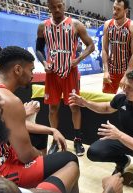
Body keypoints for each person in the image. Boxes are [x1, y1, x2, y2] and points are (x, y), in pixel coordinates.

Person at [0, 46, 81, 193]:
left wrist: (51, 129)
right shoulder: (10, 100)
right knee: (70, 158)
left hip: (1, 160)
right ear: (18, 70)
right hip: (3, 170)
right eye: (31, 70)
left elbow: (15, 124)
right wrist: (41, 156)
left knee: (41, 136)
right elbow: (26, 156)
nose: (32, 75)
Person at [69, 68, 133, 191]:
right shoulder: (122, 98)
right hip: (122, 139)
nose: (125, 90)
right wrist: (85, 103)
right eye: (125, 86)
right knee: (93, 152)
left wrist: (119, 135)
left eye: (130, 88)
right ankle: (122, 161)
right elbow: (107, 108)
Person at [36, 0, 95, 156]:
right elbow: (38, 48)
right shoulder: (43, 26)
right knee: (52, 108)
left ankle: (77, 139)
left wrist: (78, 59)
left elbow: (91, 45)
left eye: (59, 6)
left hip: (70, 72)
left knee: (74, 106)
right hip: (52, 73)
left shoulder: (75, 24)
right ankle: (55, 139)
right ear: (48, 7)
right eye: (53, 7)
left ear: (64, 5)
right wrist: (43, 61)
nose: (56, 9)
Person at [102, 0, 133, 94]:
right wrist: (106, 71)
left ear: (126, 11)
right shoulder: (107, 24)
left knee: (129, 100)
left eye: (118, 9)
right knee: (107, 100)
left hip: (128, 70)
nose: (115, 11)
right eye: (114, 8)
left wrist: (126, 75)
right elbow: (104, 49)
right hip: (112, 70)